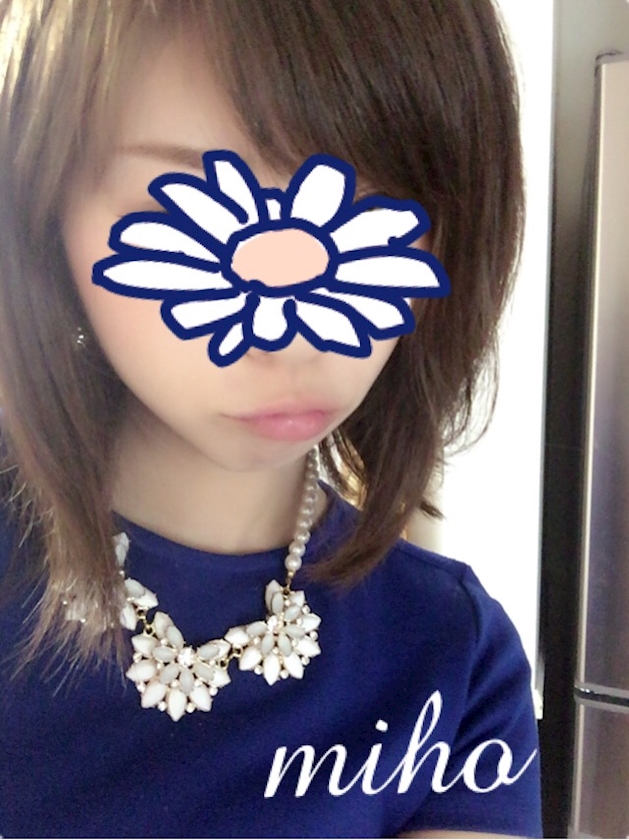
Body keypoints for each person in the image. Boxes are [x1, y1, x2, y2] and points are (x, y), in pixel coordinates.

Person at [0, 1, 542, 837]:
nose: (289, 338)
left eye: (372, 212)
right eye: (181, 207)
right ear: (43, 214)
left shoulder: (450, 659)